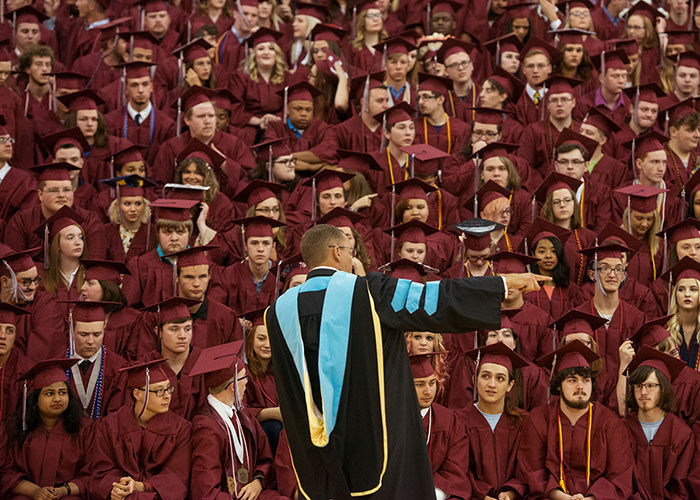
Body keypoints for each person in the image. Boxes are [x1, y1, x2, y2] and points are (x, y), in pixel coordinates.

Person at [264, 223, 547, 499]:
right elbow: (433, 298)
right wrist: (500, 285)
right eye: (351, 251)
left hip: (314, 462)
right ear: (337, 251)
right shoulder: (368, 292)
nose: (353, 259)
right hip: (375, 451)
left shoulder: (277, 312)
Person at [517, 340, 635, 499]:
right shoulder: (539, 419)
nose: (580, 386)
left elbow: (620, 475)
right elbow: (532, 470)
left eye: (586, 380)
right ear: (558, 385)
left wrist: (592, 498)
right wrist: (561, 497)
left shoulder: (609, 423)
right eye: (572, 380)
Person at [189, 341, 280, 499]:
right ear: (233, 386)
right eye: (244, 378)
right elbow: (205, 491)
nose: (247, 382)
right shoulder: (207, 428)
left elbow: (265, 458)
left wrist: (258, 481)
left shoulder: (242, 414)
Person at [90, 359, 192, 500]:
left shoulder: (181, 429)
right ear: (137, 394)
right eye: (159, 391)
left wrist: (141, 487)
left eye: (169, 388)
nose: (167, 395)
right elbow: (101, 469)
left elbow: (177, 477)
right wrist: (114, 488)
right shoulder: (110, 425)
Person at [2, 358, 91, 500]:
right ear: (35, 400)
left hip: (67, 494)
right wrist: (36, 492)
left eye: (62, 393)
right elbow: (6, 472)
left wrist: (63, 491)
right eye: (49, 393)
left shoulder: (85, 430)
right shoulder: (17, 429)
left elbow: (92, 472)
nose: (57, 399)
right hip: (29, 494)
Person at [622, 346, 694, 499]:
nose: (643, 392)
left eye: (650, 386)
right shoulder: (621, 430)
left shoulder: (681, 435)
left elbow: (681, 487)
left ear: (664, 389)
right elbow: (620, 481)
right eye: (638, 386)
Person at [462, 342, 529, 500]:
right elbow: (459, 469)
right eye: (485, 376)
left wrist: (512, 491)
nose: (492, 384)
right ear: (475, 379)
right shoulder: (458, 421)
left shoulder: (523, 422)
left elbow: (529, 466)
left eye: (500, 378)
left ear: (510, 385)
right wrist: (482, 495)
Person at [410, 352, 470, 500]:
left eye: (432, 383)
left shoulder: (449, 421)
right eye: (419, 384)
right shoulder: (390, 421)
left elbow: (455, 472)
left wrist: (433, 494)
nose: (428, 391)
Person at [62, 300, 128, 419]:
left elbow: (117, 416)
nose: (90, 341)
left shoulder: (118, 368)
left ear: (104, 327)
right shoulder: (58, 365)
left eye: (97, 334)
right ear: (72, 330)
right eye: (83, 334)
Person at [243, 308, 283, 453]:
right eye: (261, 338)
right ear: (250, 339)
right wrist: (273, 413)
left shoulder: (283, 371)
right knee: (274, 427)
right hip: (254, 436)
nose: (267, 344)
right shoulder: (242, 373)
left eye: (272, 338)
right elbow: (239, 411)